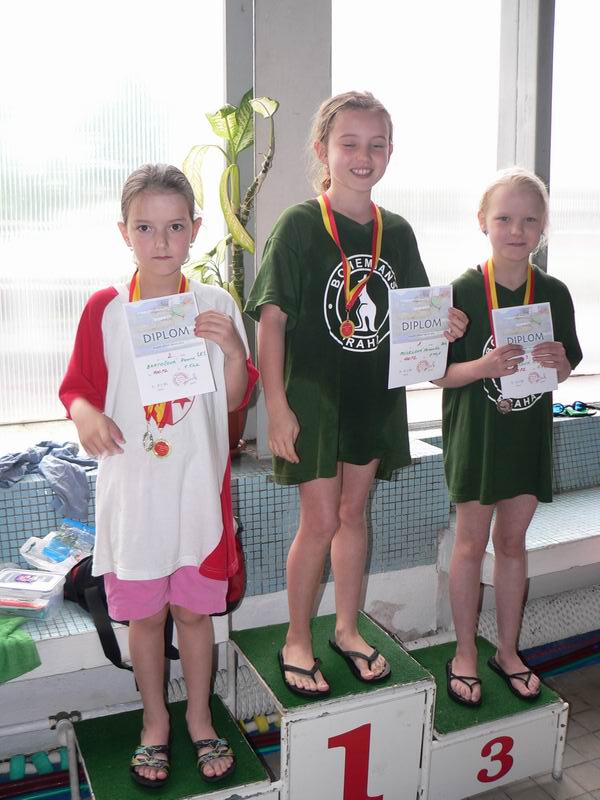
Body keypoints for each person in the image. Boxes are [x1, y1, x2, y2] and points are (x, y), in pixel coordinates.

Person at [245, 91, 467, 697]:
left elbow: (416, 316)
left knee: (352, 514)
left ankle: (346, 628)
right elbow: (271, 321)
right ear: (323, 150)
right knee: (318, 520)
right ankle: (297, 636)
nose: (363, 156)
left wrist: (444, 326)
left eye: (376, 145)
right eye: (349, 143)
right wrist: (277, 408)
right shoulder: (298, 225)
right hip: (314, 401)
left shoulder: (398, 231)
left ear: (390, 153)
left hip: (373, 397)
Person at [59, 164, 258, 786]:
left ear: (195, 229)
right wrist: (86, 415)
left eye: (175, 226)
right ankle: (155, 722)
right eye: (145, 227)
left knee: (195, 617)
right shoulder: (107, 308)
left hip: (196, 500)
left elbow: (235, 399)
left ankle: (199, 717)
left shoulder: (216, 304)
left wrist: (232, 350)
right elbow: (78, 388)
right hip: (134, 502)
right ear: (125, 233)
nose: (161, 240)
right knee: (145, 621)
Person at [436, 167, 582, 706]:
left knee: (514, 544)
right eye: (504, 219)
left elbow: (564, 368)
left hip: (525, 437)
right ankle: (465, 653)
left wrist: (559, 362)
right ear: (482, 221)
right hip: (476, 439)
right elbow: (437, 374)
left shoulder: (555, 293)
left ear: (543, 226)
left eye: (528, 220)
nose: (516, 230)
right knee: (470, 544)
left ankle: (508, 651)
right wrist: (484, 366)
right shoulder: (461, 292)